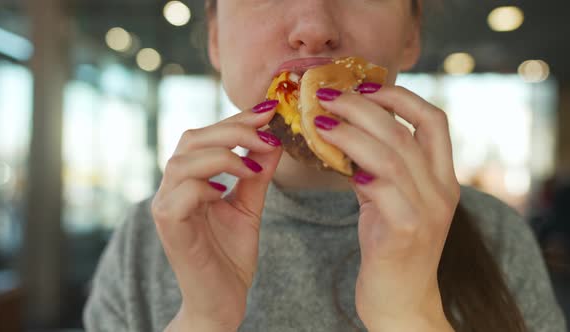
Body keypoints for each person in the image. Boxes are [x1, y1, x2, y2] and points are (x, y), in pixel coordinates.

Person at [83, 0, 567, 331]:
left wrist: (410, 316)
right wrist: (202, 319)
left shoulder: (497, 235)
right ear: (214, 37)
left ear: (410, 34)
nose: (314, 28)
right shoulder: (148, 241)